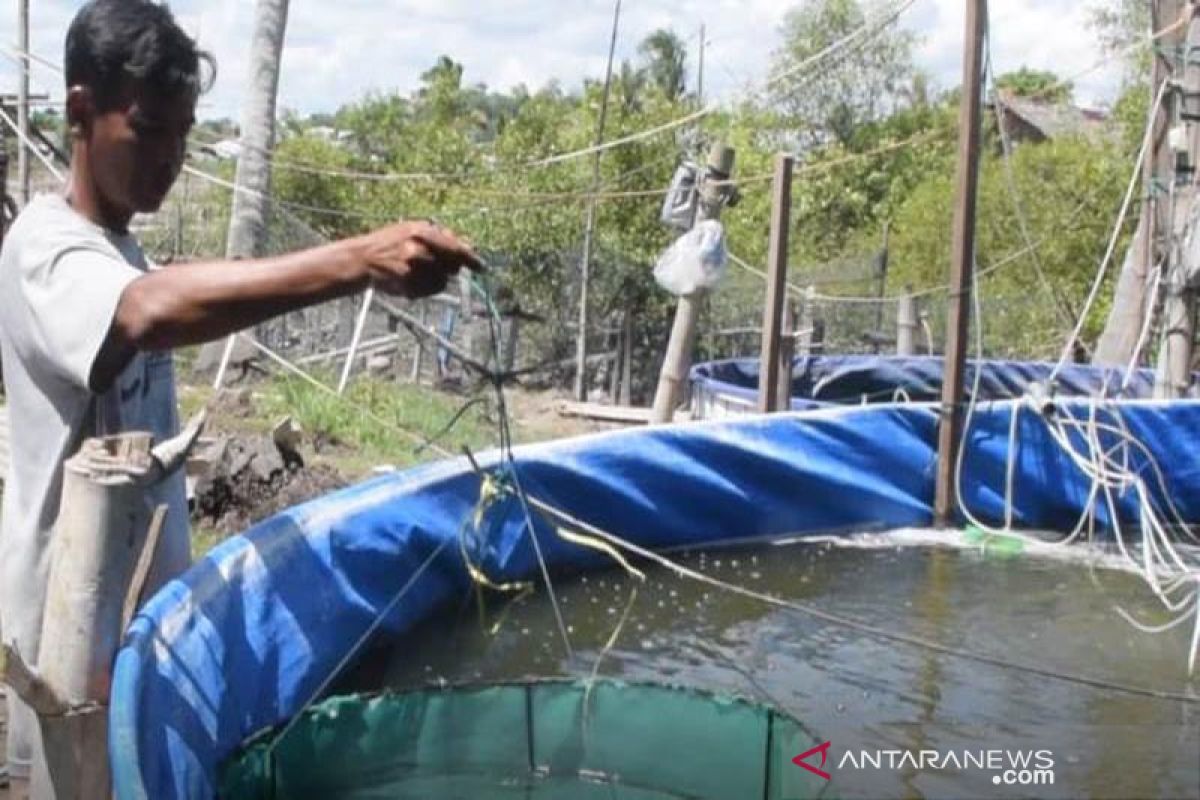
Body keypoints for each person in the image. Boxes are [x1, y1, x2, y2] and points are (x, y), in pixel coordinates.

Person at [0, 0, 480, 789]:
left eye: (185, 133)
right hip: (67, 641)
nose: (172, 157)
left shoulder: (119, 248)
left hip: (135, 631)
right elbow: (148, 312)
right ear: (81, 111)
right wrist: (359, 259)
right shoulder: (44, 249)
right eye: (150, 129)